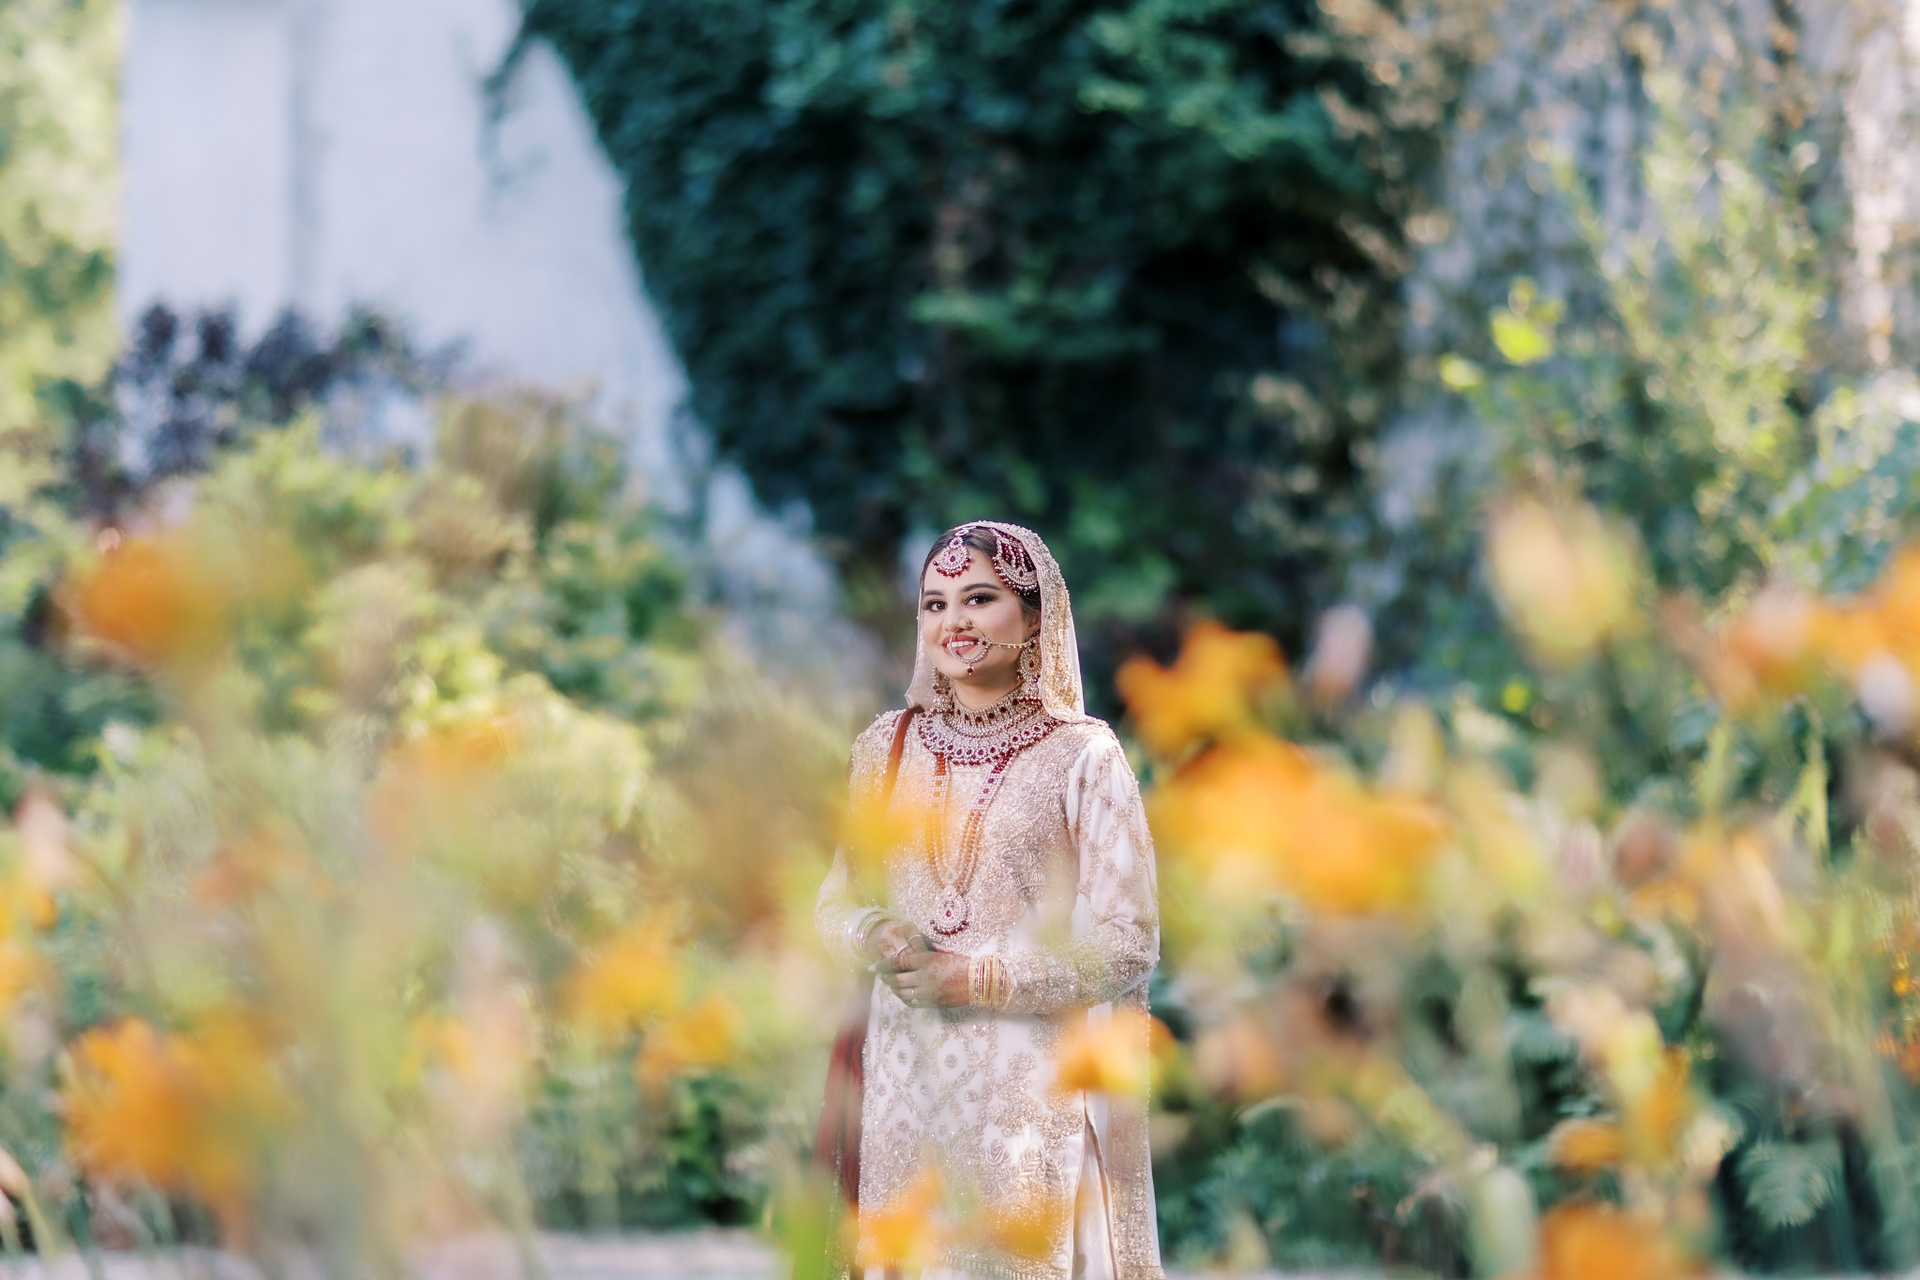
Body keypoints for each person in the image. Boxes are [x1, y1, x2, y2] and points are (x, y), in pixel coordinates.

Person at [816, 521, 1164, 1280]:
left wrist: (977, 977)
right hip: (902, 1088)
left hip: (1025, 1097)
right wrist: (877, 933)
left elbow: (1129, 943)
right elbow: (834, 904)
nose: (955, 622)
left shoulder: (1084, 756)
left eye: (979, 598)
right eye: (934, 604)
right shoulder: (885, 748)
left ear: (1036, 618)